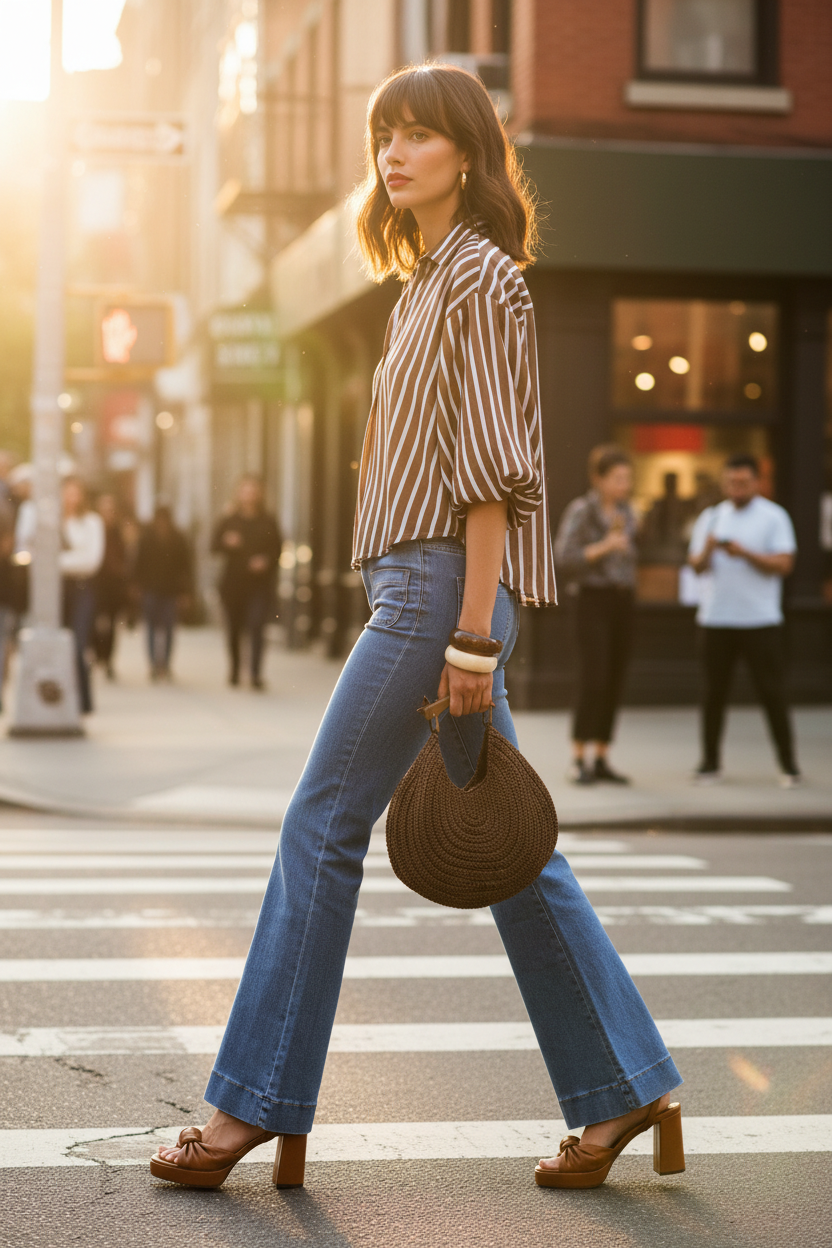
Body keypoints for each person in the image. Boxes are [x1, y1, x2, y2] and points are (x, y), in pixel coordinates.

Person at [151, 63, 683, 1193]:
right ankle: (626, 1086)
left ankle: (250, 1107)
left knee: (320, 826)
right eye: (383, 132)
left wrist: (473, 638)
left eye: (421, 134)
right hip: (428, 589)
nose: (395, 151)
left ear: (468, 153)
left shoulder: (483, 278)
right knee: (513, 852)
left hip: (441, 596)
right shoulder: (426, 282)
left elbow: (493, 475)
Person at [688, 453, 800, 786]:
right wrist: (709, 549)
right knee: (713, 694)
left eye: (744, 483)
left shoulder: (774, 516)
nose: (737, 489)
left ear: (756, 482)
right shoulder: (710, 517)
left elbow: (784, 564)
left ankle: (788, 764)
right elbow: (694, 566)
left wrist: (745, 553)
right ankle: (710, 763)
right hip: (715, 619)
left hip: (759, 620)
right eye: (731, 482)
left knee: (772, 693)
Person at [554, 446, 638, 785]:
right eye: (618, 478)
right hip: (590, 600)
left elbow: (629, 557)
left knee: (616, 677)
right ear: (598, 479)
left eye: (628, 478)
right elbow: (564, 557)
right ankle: (578, 757)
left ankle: (602, 755)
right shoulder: (581, 511)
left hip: (622, 600)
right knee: (594, 677)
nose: (624, 485)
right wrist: (607, 545)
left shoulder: (628, 512)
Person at [211, 475, 281, 690]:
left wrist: (266, 561)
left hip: (259, 585)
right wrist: (226, 541)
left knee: (257, 626)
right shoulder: (229, 520)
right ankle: (234, 669)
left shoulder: (268, 521)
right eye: (246, 489)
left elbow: (278, 549)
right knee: (234, 629)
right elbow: (213, 546)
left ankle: (255, 673)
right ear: (239, 493)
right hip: (233, 585)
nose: (250, 494)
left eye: (254, 490)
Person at [60, 478, 105, 714]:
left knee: (78, 644)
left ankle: (82, 701)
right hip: (57, 590)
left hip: (82, 589)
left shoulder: (91, 522)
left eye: (75, 493)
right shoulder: (52, 522)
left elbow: (91, 561)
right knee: (55, 645)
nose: (71, 498)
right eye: (66, 493)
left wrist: (58, 562)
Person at [134, 505, 192, 682]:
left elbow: (186, 567)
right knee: (151, 627)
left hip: (171, 590)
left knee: (168, 627)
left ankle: (165, 664)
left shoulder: (178, 539)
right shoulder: (146, 539)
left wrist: (185, 592)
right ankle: (153, 664)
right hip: (151, 589)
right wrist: (137, 585)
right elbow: (138, 563)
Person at [93, 493, 129, 681]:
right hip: (97, 583)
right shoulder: (94, 528)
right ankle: (98, 655)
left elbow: (126, 556)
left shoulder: (119, 531)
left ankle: (108, 660)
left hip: (115, 584)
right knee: (98, 624)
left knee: (112, 625)